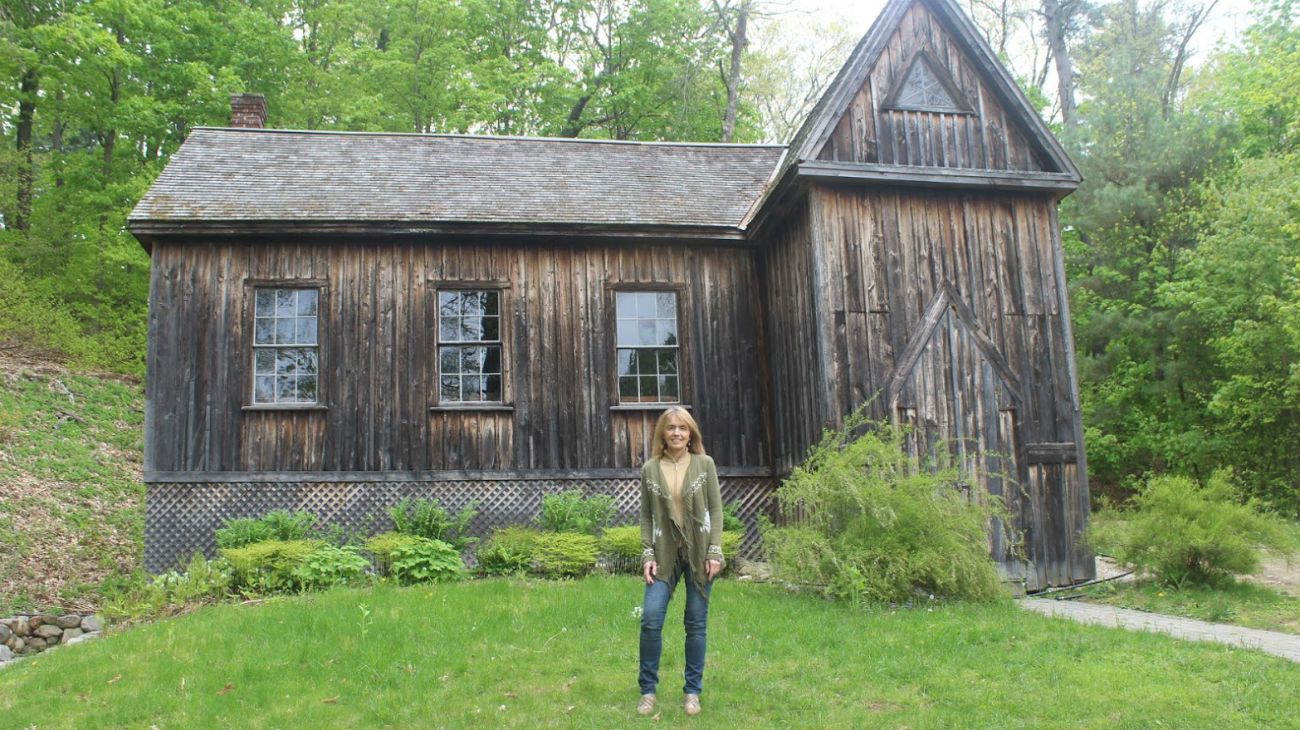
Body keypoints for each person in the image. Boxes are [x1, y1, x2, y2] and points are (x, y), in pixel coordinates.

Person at [636, 406, 724, 717]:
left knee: (695, 623)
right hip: (663, 552)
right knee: (650, 619)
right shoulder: (650, 468)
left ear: (691, 434)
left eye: (682, 428)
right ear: (662, 432)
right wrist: (647, 553)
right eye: (671, 427)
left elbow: (716, 510)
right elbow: (646, 516)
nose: (676, 432)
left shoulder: (705, 464)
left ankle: (692, 692)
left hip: (700, 553)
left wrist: (715, 551)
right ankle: (647, 690)